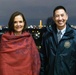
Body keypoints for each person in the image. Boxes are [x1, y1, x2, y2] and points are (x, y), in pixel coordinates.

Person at [40, 5, 76, 75]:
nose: (60, 18)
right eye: (57, 16)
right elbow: (43, 58)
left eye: (62, 15)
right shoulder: (47, 36)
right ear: (53, 18)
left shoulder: (74, 36)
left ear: (66, 16)